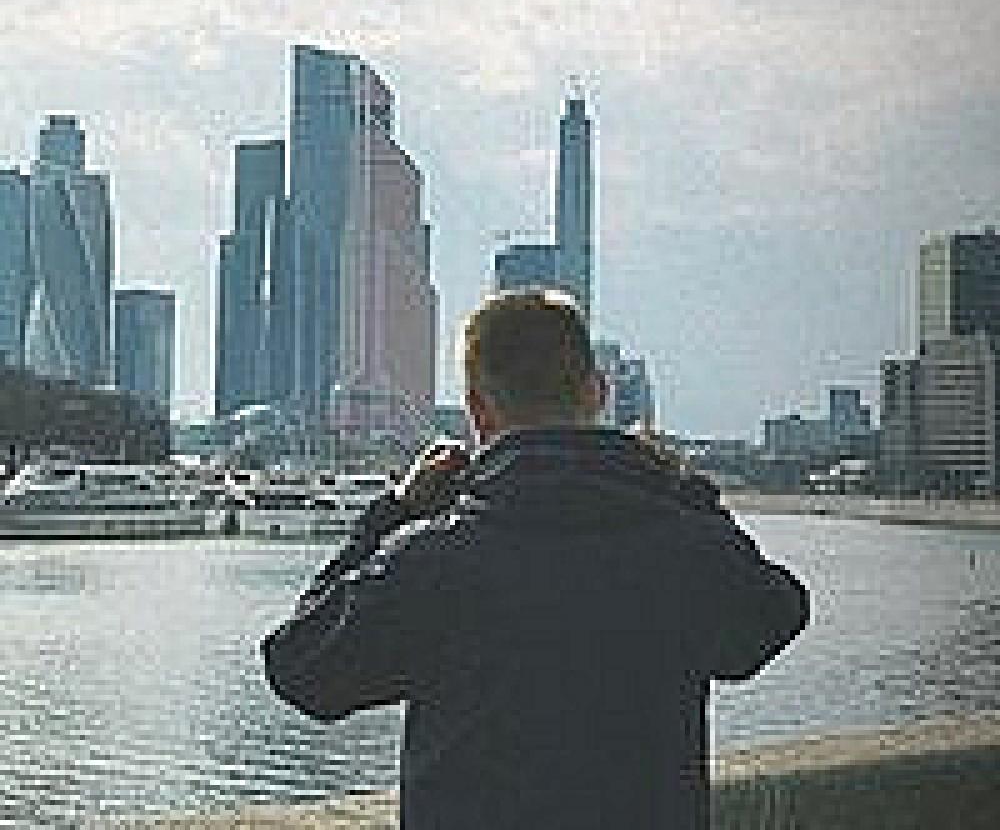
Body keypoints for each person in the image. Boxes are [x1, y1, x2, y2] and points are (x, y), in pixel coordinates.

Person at [261, 289, 810, 829]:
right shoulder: (687, 546)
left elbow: (301, 668)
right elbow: (771, 622)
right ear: (598, 392)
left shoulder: (434, 558)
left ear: (477, 409)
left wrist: (394, 513)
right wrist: (687, 491)